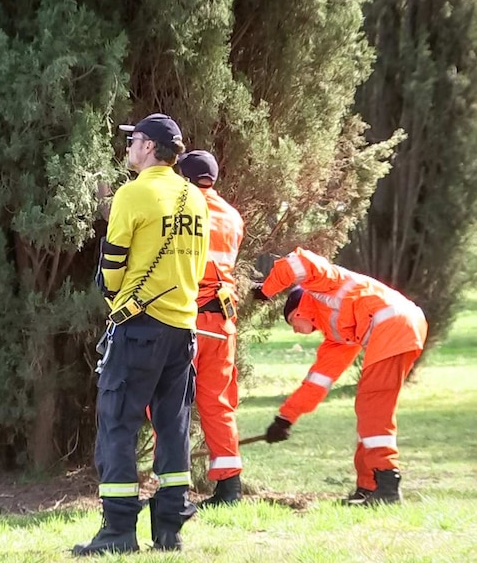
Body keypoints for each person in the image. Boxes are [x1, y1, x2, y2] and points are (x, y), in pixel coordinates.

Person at [73, 113, 209, 555]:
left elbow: (111, 267)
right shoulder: (196, 198)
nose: (128, 147)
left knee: (117, 424)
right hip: (182, 330)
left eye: (133, 140)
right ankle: (169, 530)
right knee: (172, 428)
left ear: (149, 147)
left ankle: (117, 532)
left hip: (138, 329)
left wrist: (114, 299)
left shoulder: (133, 194)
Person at [257, 247, 427, 505]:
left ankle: (388, 489)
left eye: (292, 323)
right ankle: (369, 486)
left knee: (373, 408)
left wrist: (264, 291)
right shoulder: (339, 336)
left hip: (393, 326)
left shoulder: (321, 287)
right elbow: (316, 383)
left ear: (298, 310)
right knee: (370, 411)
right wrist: (285, 419)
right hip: (404, 328)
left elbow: (298, 261)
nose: (296, 332)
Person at [176, 150, 246, 508]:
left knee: (170, 402)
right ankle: (229, 488)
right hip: (222, 322)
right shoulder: (233, 217)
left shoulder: (184, 209)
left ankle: (172, 488)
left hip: (185, 320)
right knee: (218, 404)